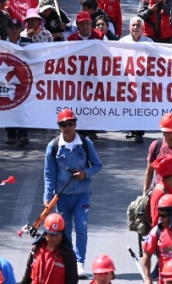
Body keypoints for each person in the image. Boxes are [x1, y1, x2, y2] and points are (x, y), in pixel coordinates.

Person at [44, 110, 103, 270]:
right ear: (59, 127)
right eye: (63, 124)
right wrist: (47, 197)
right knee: (65, 229)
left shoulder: (85, 143)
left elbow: (98, 166)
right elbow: (49, 173)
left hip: (82, 195)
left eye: (70, 124)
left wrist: (85, 174)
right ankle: (68, 261)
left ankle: (80, 262)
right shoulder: (53, 146)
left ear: (75, 125)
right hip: (62, 197)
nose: (67, 127)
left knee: (81, 226)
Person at [20, 212, 78, 284]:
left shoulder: (68, 255)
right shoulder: (36, 250)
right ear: (45, 233)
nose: (54, 238)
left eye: (57, 235)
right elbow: (27, 278)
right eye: (51, 235)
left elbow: (72, 281)